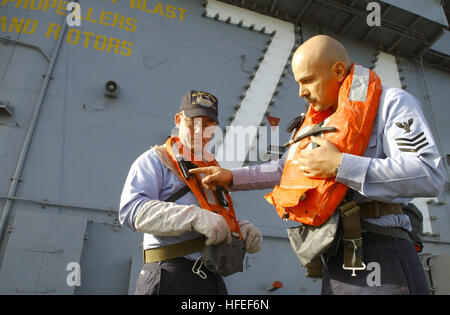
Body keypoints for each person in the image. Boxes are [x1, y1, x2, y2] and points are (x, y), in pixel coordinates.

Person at [189, 35, 446, 295]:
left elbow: (428, 173)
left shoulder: (392, 103)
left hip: (381, 251)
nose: (301, 92)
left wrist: (340, 165)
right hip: (333, 256)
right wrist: (231, 177)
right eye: (299, 82)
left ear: (337, 71)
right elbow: (285, 169)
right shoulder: (314, 123)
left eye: (308, 80)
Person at [119, 90, 262, 295]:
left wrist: (240, 229)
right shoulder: (154, 160)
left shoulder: (212, 169)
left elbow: (214, 216)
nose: (199, 131)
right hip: (170, 274)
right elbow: (130, 210)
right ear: (178, 120)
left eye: (207, 126)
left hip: (211, 276)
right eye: (192, 123)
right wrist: (193, 217)